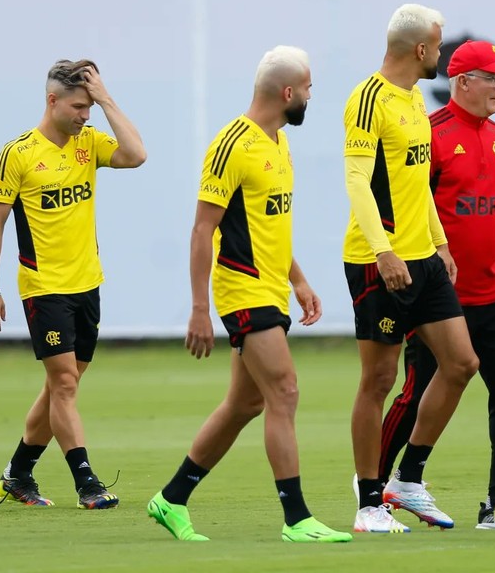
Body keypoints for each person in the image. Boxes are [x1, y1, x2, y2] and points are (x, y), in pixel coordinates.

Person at [147, 46, 351, 543]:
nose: (309, 97)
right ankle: (297, 518)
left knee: (245, 404)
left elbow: (269, 225)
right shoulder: (231, 145)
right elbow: (201, 231)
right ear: (287, 93)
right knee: (284, 391)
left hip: (270, 288)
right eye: (307, 89)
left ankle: (171, 499)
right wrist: (198, 309)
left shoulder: (278, 142)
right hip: (241, 289)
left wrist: (297, 279)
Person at [374, 40, 495, 530]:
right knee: (414, 394)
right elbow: (407, 209)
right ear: (463, 81)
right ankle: (374, 489)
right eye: (493, 77)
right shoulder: (429, 134)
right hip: (438, 297)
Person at [0, 59, 146, 509]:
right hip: (43, 288)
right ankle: (87, 484)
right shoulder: (17, 154)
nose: (85, 116)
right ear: (52, 101)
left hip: (87, 285)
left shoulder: (87, 144)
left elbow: (136, 155)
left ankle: (18, 474)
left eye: (90, 107)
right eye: (78, 106)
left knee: (61, 387)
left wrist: (107, 98)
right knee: (66, 385)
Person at [343, 4, 480, 533]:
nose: (440, 56)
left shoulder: (415, 97)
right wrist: (384, 249)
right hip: (378, 260)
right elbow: (357, 180)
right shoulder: (367, 97)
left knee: (461, 364)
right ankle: (368, 504)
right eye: (438, 47)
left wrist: (440, 242)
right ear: (420, 49)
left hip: (423, 256)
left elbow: (417, 180)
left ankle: (409, 479)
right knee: (377, 380)